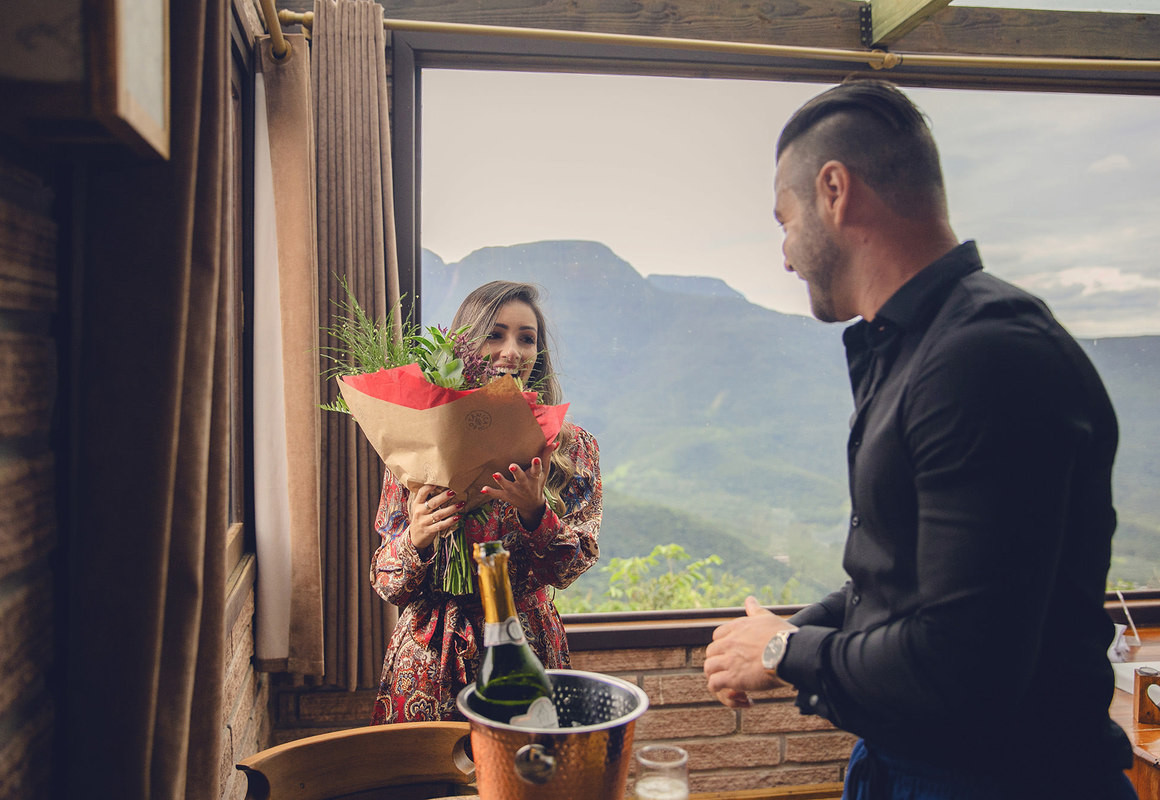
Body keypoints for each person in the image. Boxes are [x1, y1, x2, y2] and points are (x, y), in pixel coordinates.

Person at [703, 79, 1136, 799]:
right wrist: (781, 637)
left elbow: (964, 665)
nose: (784, 254)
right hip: (904, 769)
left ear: (835, 190)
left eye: (784, 220)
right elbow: (900, 578)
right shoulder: (913, 349)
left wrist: (785, 650)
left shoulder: (987, 357)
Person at [370, 280, 602, 724]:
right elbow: (386, 583)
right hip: (429, 660)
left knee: (528, 784)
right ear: (465, 345)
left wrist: (537, 513)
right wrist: (416, 538)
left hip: (528, 650)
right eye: (495, 335)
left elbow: (570, 569)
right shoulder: (422, 443)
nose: (512, 351)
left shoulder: (571, 449)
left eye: (526, 337)